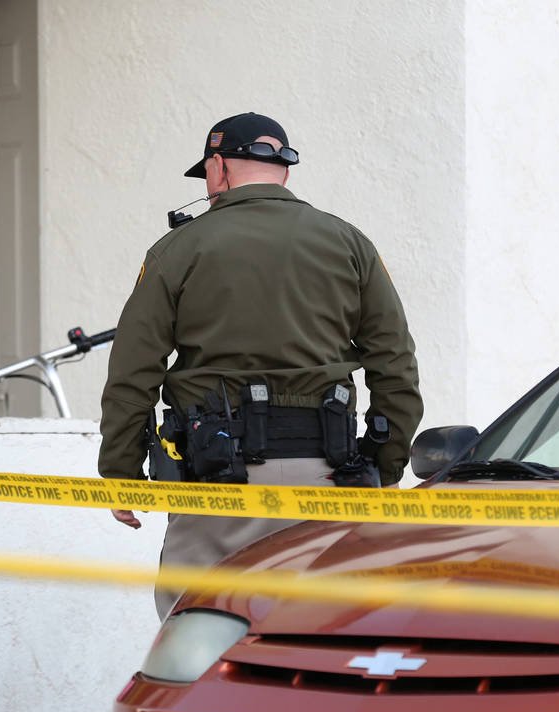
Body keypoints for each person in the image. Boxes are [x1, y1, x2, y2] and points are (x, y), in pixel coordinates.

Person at [98, 112, 423, 619]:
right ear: (284, 173)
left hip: (219, 485)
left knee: (200, 635)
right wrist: (384, 467)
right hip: (329, 477)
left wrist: (121, 471)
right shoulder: (351, 244)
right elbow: (396, 365)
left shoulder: (177, 249)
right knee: (317, 639)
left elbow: (132, 372)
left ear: (219, 168)